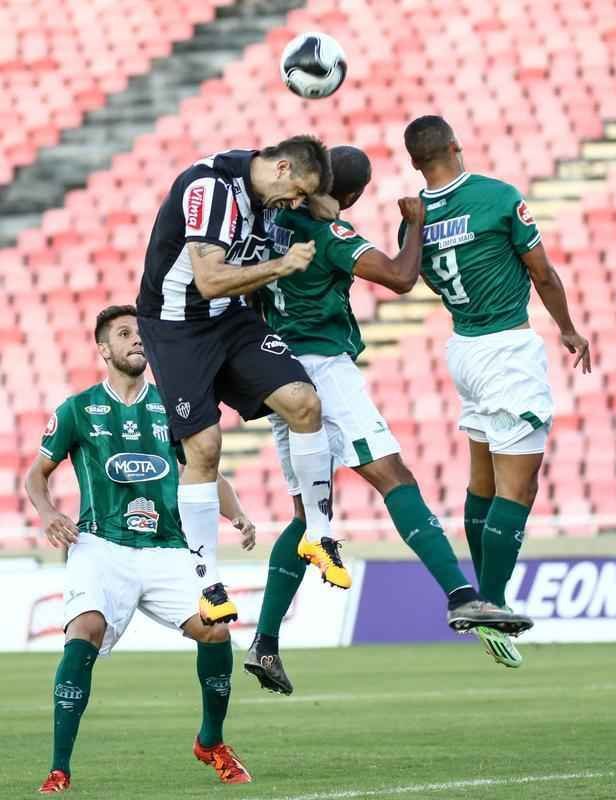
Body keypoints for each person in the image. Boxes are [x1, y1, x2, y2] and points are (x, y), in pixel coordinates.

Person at [243, 146, 532, 695]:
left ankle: (265, 642)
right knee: (393, 476)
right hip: (323, 368)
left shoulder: (270, 219)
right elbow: (401, 278)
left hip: (278, 371)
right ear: (348, 196)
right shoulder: (331, 235)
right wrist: (414, 226)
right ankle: (459, 595)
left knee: (308, 516)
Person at [26, 306, 255, 793]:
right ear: (104, 349)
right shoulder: (78, 409)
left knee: (215, 632)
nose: (137, 340)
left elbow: (205, 469)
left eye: (141, 333)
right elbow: (36, 475)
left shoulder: (175, 406)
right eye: (124, 334)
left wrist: (234, 512)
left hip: (168, 548)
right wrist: (48, 514)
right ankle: (59, 768)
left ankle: (210, 741)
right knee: (83, 630)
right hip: (101, 545)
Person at [136, 136, 353, 626]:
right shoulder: (211, 190)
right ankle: (205, 580)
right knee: (205, 447)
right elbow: (210, 280)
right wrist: (282, 264)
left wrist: (312, 193)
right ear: (279, 168)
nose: (293, 205)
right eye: (293, 191)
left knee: (304, 403)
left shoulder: (262, 179)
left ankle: (318, 534)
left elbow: (325, 202)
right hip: (176, 325)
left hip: (230, 318)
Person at [401, 115, 591, 667]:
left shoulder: (413, 218)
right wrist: (568, 329)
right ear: (457, 147)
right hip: (506, 347)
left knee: (481, 481)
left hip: (463, 348)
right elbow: (543, 273)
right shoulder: (497, 197)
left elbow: (421, 276)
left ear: (416, 163)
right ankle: (494, 602)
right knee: (519, 489)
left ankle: (485, 599)